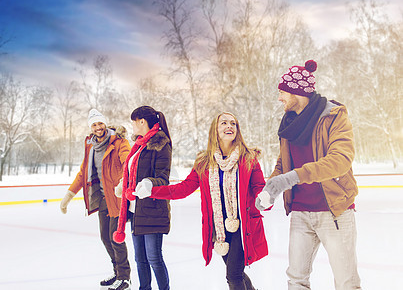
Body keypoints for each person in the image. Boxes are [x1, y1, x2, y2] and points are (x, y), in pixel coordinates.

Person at [133, 112, 271, 290]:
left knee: (233, 275)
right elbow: (182, 189)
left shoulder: (248, 159)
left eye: (233, 124)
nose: (229, 126)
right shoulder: (204, 162)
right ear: (215, 129)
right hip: (219, 229)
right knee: (236, 272)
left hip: (242, 227)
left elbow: (260, 188)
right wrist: (153, 191)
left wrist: (266, 198)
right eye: (224, 123)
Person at [259, 60, 362, 290]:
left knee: (346, 282)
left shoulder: (334, 116)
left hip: (334, 211)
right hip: (300, 213)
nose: (280, 98)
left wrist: (291, 177)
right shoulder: (289, 124)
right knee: (296, 280)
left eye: (283, 92)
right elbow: (284, 163)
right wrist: (270, 189)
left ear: (297, 92)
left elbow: (340, 161)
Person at [60, 109, 131, 290]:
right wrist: (69, 195)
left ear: (105, 124)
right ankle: (117, 272)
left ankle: (124, 278)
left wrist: (123, 183)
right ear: (90, 128)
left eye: (100, 123)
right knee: (105, 238)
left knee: (116, 237)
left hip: (117, 196)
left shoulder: (119, 142)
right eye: (94, 124)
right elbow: (83, 173)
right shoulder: (91, 147)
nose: (98, 127)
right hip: (102, 199)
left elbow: (128, 163)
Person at [113, 106, 172, 290]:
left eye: (133, 121)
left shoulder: (161, 143)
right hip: (135, 210)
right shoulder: (139, 145)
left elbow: (163, 177)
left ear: (142, 121)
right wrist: (124, 183)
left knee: (154, 257)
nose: (132, 126)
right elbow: (133, 173)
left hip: (153, 210)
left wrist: (148, 183)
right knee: (140, 259)